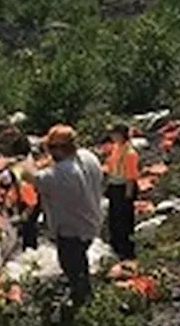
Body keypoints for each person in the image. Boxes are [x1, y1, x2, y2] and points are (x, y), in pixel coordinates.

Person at [22, 125, 104, 305]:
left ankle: (82, 309)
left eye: (51, 148)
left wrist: (30, 157)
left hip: (72, 230)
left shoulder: (61, 173)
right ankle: (87, 300)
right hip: (91, 222)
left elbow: (28, 175)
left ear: (59, 149)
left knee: (73, 269)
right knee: (81, 264)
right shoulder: (88, 157)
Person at [104, 124, 140, 261]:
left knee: (124, 220)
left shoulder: (129, 153)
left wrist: (128, 195)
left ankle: (127, 250)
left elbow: (131, 176)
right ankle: (116, 246)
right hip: (114, 186)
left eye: (115, 134)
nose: (112, 136)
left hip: (124, 187)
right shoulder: (116, 148)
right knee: (114, 218)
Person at [0, 168, 40, 250]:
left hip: (29, 211)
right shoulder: (10, 189)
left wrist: (22, 216)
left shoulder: (23, 187)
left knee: (29, 230)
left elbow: (32, 204)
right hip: (18, 211)